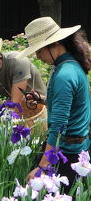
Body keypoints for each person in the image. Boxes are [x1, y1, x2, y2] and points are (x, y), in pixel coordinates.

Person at [22, 17, 91, 193]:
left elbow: (58, 125)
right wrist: (41, 100)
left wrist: (43, 166)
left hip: (67, 153)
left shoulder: (64, 75)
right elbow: (69, 105)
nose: (38, 56)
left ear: (55, 43)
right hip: (76, 148)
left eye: (39, 50)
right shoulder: (70, 66)